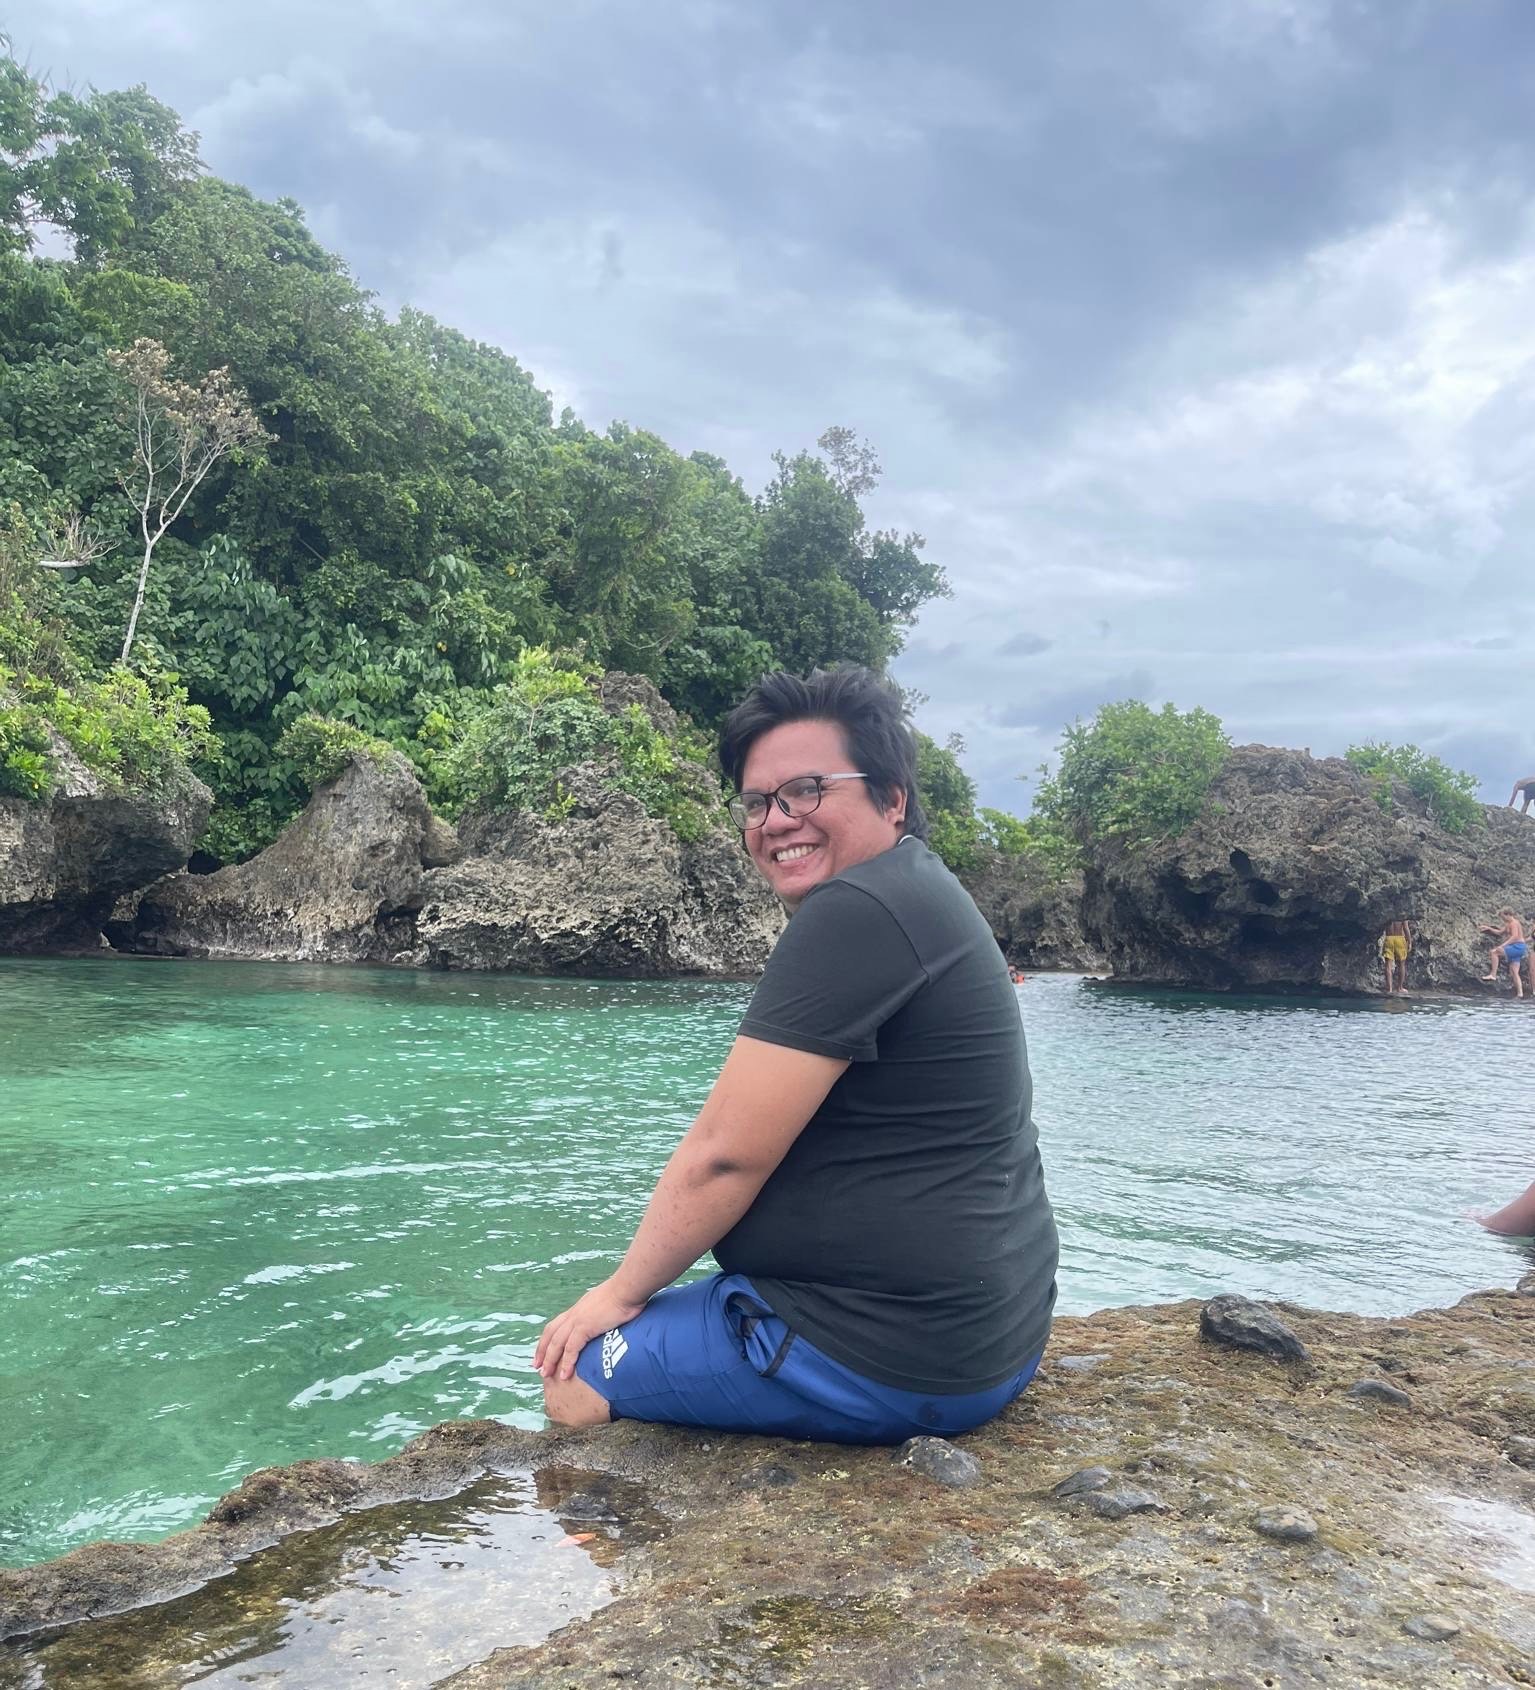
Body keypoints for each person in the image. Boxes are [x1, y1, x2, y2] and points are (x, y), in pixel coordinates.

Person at [534, 666, 1059, 1444]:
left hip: (893, 1354)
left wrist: (616, 1294)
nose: (776, 821)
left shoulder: (857, 909)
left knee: (572, 1373)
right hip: (987, 1335)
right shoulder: (914, 888)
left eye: (806, 790)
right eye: (756, 802)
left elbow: (723, 1157)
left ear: (890, 797)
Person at [1480, 910, 1528, 996]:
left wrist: (1502, 946)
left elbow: (1514, 937)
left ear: (1508, 915)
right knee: (1514, 971)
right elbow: (1500, 932)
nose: (1503, 919)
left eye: (1503, 917)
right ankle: (1520, 994)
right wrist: (1489, 928)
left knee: (1494, 952)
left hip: (1517, 947)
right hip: (1518, 947)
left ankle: (1493, 974)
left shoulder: (1514, 923)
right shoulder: (1508, 924)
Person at [1379, 918, 1412, 996]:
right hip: (1400, 938)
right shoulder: (1402, 914)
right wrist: (1409, 942)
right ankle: (1400, 988)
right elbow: (1406, 928)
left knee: (1388, 965)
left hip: (1389, 938)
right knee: (1401, 964)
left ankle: (1389, 989)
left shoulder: (1387, 914)